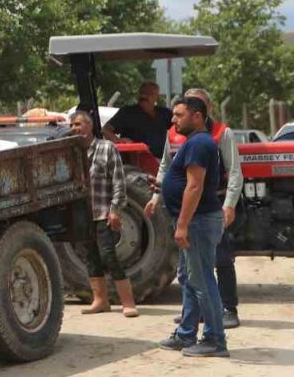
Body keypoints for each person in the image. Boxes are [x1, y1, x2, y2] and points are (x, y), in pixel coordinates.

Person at [149, 87, 243, 329]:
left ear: (202, 111)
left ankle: (228, 309)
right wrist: (156, 196)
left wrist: (229, 205)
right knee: (188, 268)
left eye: (195, 104)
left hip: (212, 206)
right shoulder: (174, 134)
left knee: (221, 259)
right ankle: (194, 313)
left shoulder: (222, 133)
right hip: (186, 210)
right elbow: (164, 167)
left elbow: (234, 172)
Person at [69, 111, 139, 317]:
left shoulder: (106, 148)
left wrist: (115, 209)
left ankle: (128, 302)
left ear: (90, 127)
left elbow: (118, 181)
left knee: (108, 255)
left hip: (103, 211)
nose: (75, 128)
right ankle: (100, 301)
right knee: (90, 257)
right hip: (82, 214)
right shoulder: (71, 152)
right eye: (72, 125)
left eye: (79, 124)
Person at [103, 81, 172, 158]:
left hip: (160, 161)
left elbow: (181, 126)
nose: (144, 96)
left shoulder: (164, 113)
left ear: (157, 97)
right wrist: (118, 141)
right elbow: (105, 129)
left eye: (149, 93)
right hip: (134, 162)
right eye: (142, 92)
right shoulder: (127, 112)